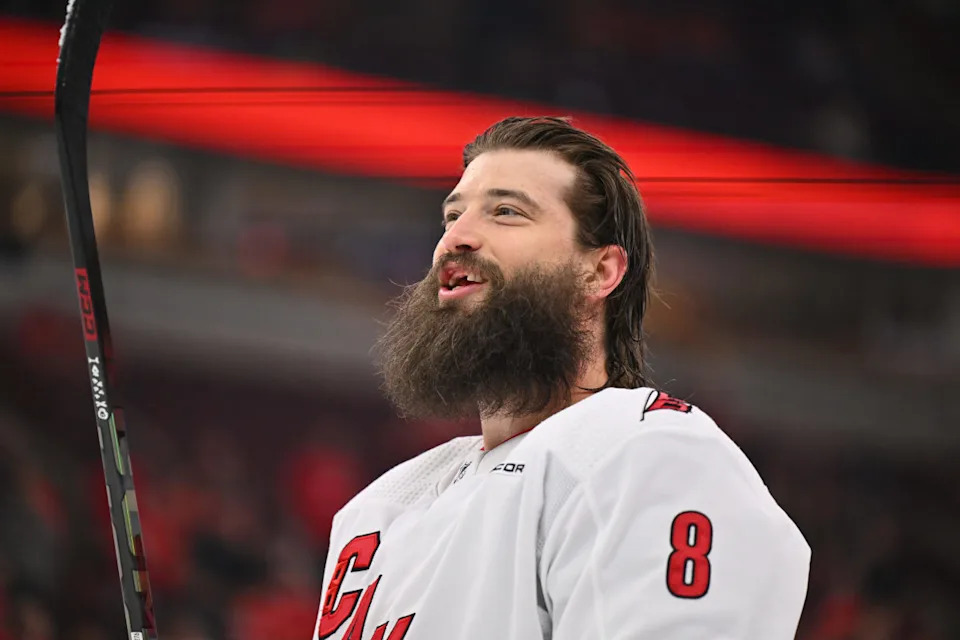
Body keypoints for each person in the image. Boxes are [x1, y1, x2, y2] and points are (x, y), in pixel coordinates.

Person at [312, 116, 810, 639]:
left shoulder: (648, 449)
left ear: (600, 272)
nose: (455, 239)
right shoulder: (379, 505)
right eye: (451, 216)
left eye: (506, 212)